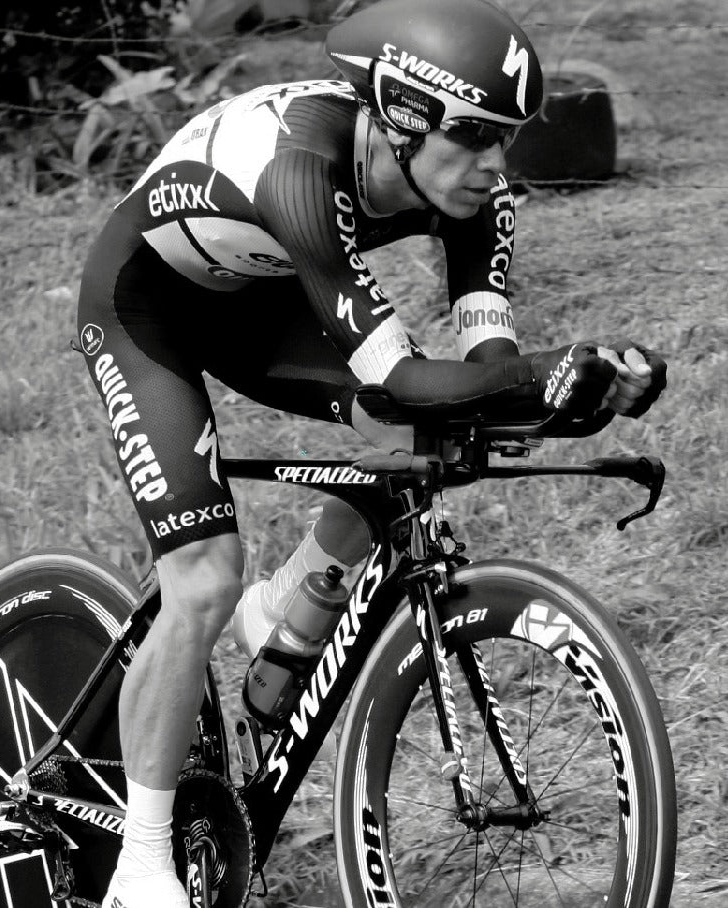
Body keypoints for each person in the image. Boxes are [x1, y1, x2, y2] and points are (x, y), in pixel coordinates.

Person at [76, 0, 667, 904]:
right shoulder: (302, 167)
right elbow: (398, 377)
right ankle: (142, 867)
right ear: (400, 114)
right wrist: (536, 377)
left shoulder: (475, 195)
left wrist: (581, 391)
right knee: (202, 577)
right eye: (473, 135)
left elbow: (484, 375)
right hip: (143, 307)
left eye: (505, 137)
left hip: (262, 303)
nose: (495, 164)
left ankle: (292, 605)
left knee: (428, 429)